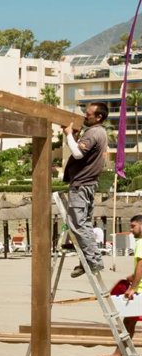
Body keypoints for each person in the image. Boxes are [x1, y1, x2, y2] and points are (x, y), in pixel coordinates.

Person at [62, 102, 110, 278]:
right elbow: (80, 152)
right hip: (88, 184)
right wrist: (72, 137)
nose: (85, 116)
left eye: (88, 114)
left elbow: (78, 154)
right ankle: (88, 261)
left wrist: (69, 134)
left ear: (99, 117)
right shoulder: (101, 133)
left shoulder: (93, 133)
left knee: (78, 225)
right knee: (85, 225)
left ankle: (92, 261)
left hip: (81, 185)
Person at [101, 214, 142, 356]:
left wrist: (133, 287)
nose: (131, 230)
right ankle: (117, 355)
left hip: (139, 290)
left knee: (128, 322)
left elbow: (141, 265)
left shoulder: (141, 243)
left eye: (133, 226)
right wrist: (132, 277)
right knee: (129, 322)